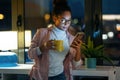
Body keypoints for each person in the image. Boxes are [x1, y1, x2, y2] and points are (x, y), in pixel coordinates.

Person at [28, 0, 83, 80]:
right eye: (63, 20)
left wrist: (78, 50)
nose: (66, 24)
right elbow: (30, 54)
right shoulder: (42, 33)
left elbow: (76, 65)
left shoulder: (70, 38)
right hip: (40, 76)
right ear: (54, 18)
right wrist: (43, 47)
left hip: (59, 76)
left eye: (69, 21)